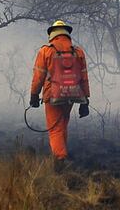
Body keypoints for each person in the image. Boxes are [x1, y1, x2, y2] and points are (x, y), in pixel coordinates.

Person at [29, 20, 90, 160]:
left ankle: (60, 159)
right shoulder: (78, 52)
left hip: (52, 96)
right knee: (62, 125)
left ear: (52, 34)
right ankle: (61, 154)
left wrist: (34, 95)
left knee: (55, 128)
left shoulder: (46, 51)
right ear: (67, 33)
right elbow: (84, 77)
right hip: (73, 95)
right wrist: (85, 100)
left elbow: (39, 76)